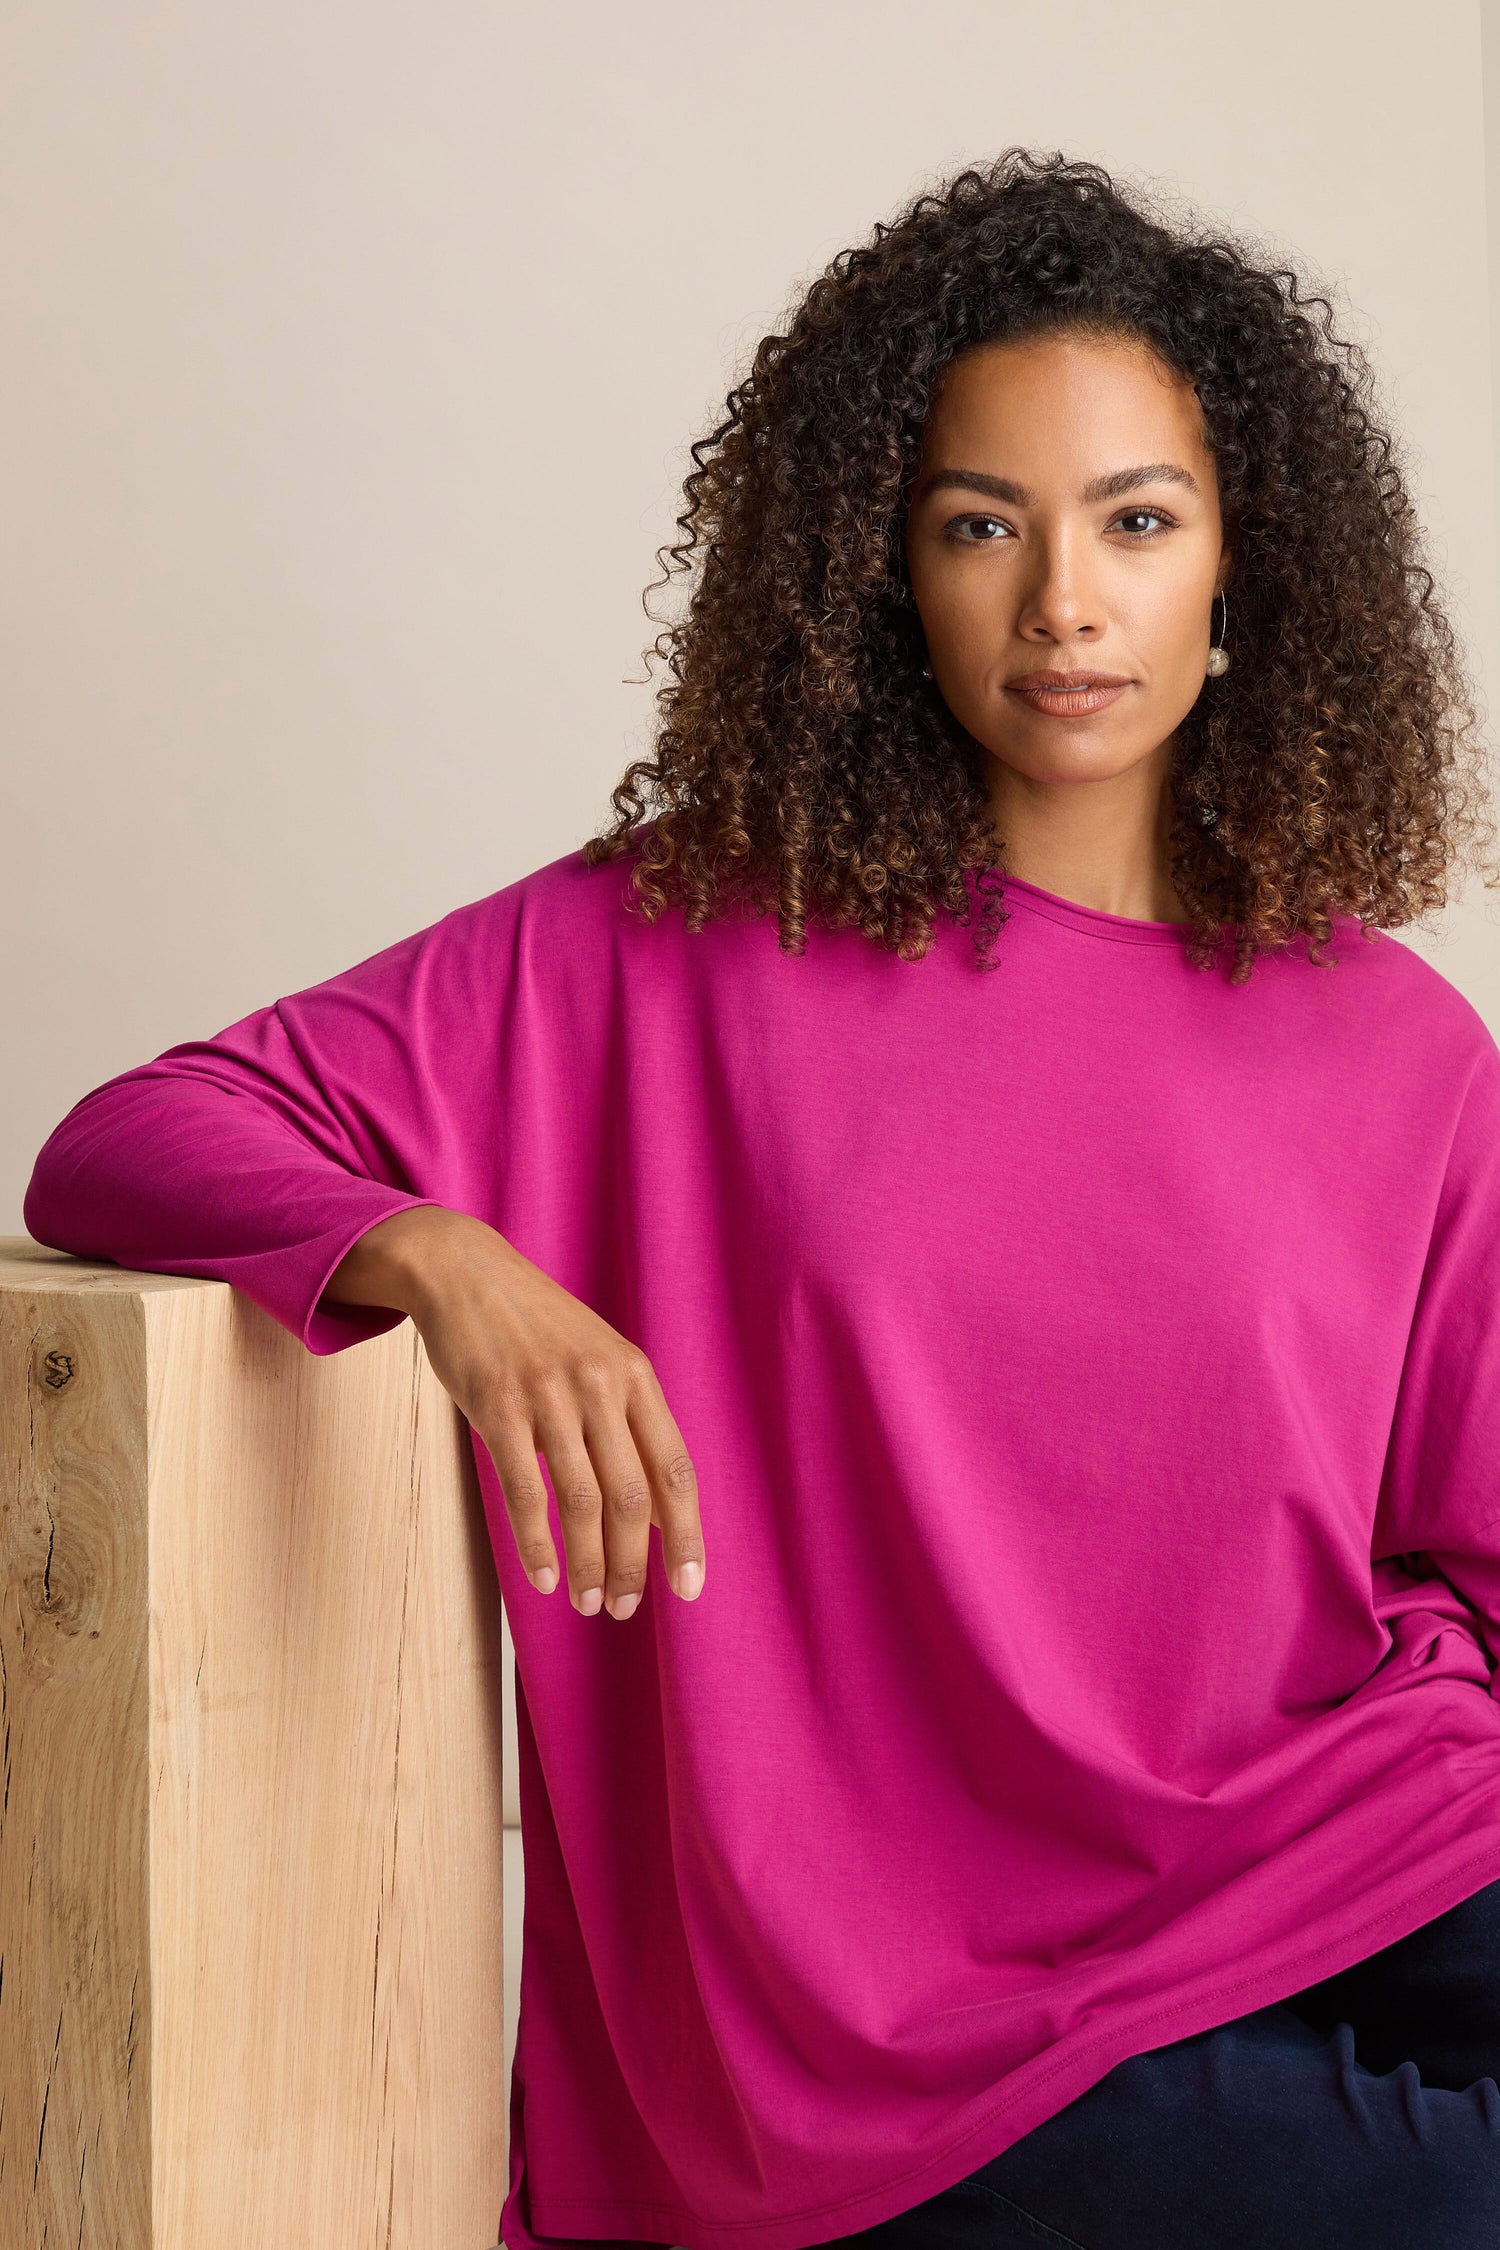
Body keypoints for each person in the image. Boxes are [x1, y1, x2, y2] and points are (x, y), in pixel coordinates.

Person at [23, 146, 1500, 2248]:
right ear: (880, 571)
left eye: (1136, 523)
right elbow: (131, 1130)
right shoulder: (672, 946)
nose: (1064, 603)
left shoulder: (1403, 1051)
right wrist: (430, 1256)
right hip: (879, 2033)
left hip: (1330, 1848)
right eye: (980, 527)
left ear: (1242, 560)